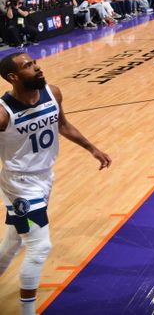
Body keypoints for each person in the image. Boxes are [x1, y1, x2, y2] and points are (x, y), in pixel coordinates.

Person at [0, 52, 111, 315]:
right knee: (40, 246)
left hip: (43, 178)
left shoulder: (53, 92)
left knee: (14, 241)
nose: (37, 68)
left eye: (35, 62)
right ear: (13, 77)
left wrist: (91, 148)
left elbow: (62, 124)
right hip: (20, 185)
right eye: (28, 66)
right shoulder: (3, 113)